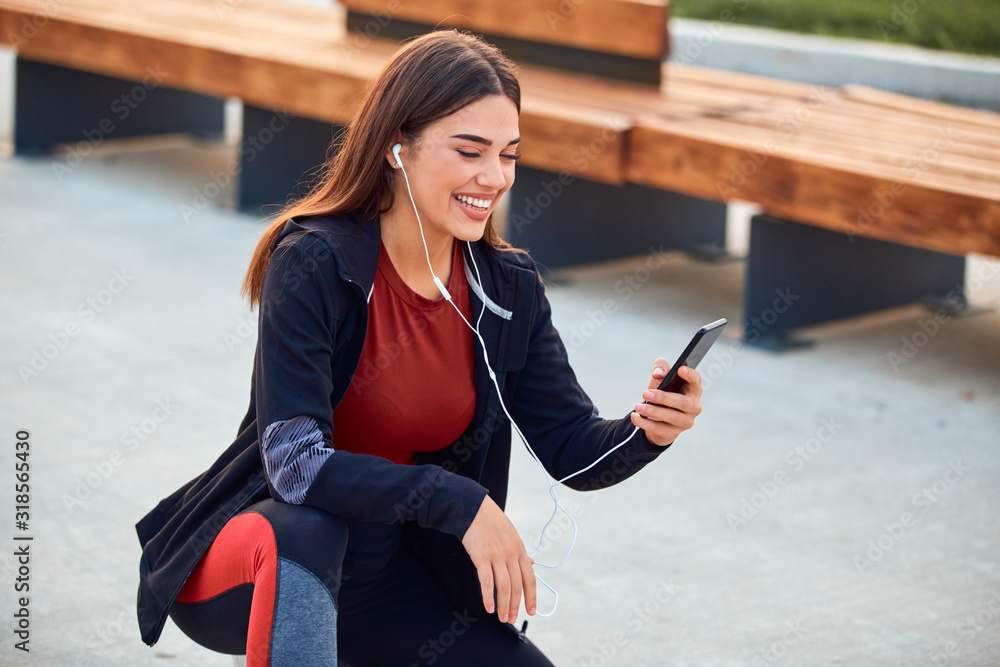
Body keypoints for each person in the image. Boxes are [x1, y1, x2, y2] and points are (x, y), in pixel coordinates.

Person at [134, 29, 704, 666]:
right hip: (256, 565)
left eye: (509, 154)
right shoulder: (314, 264)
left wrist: (650, 428)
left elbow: (573, 453)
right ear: (396, 148)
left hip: (380, 587)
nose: (494, 177)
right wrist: (457, 501)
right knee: (310, 530)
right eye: (470, 151)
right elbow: (295, 467)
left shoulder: (507, 287)